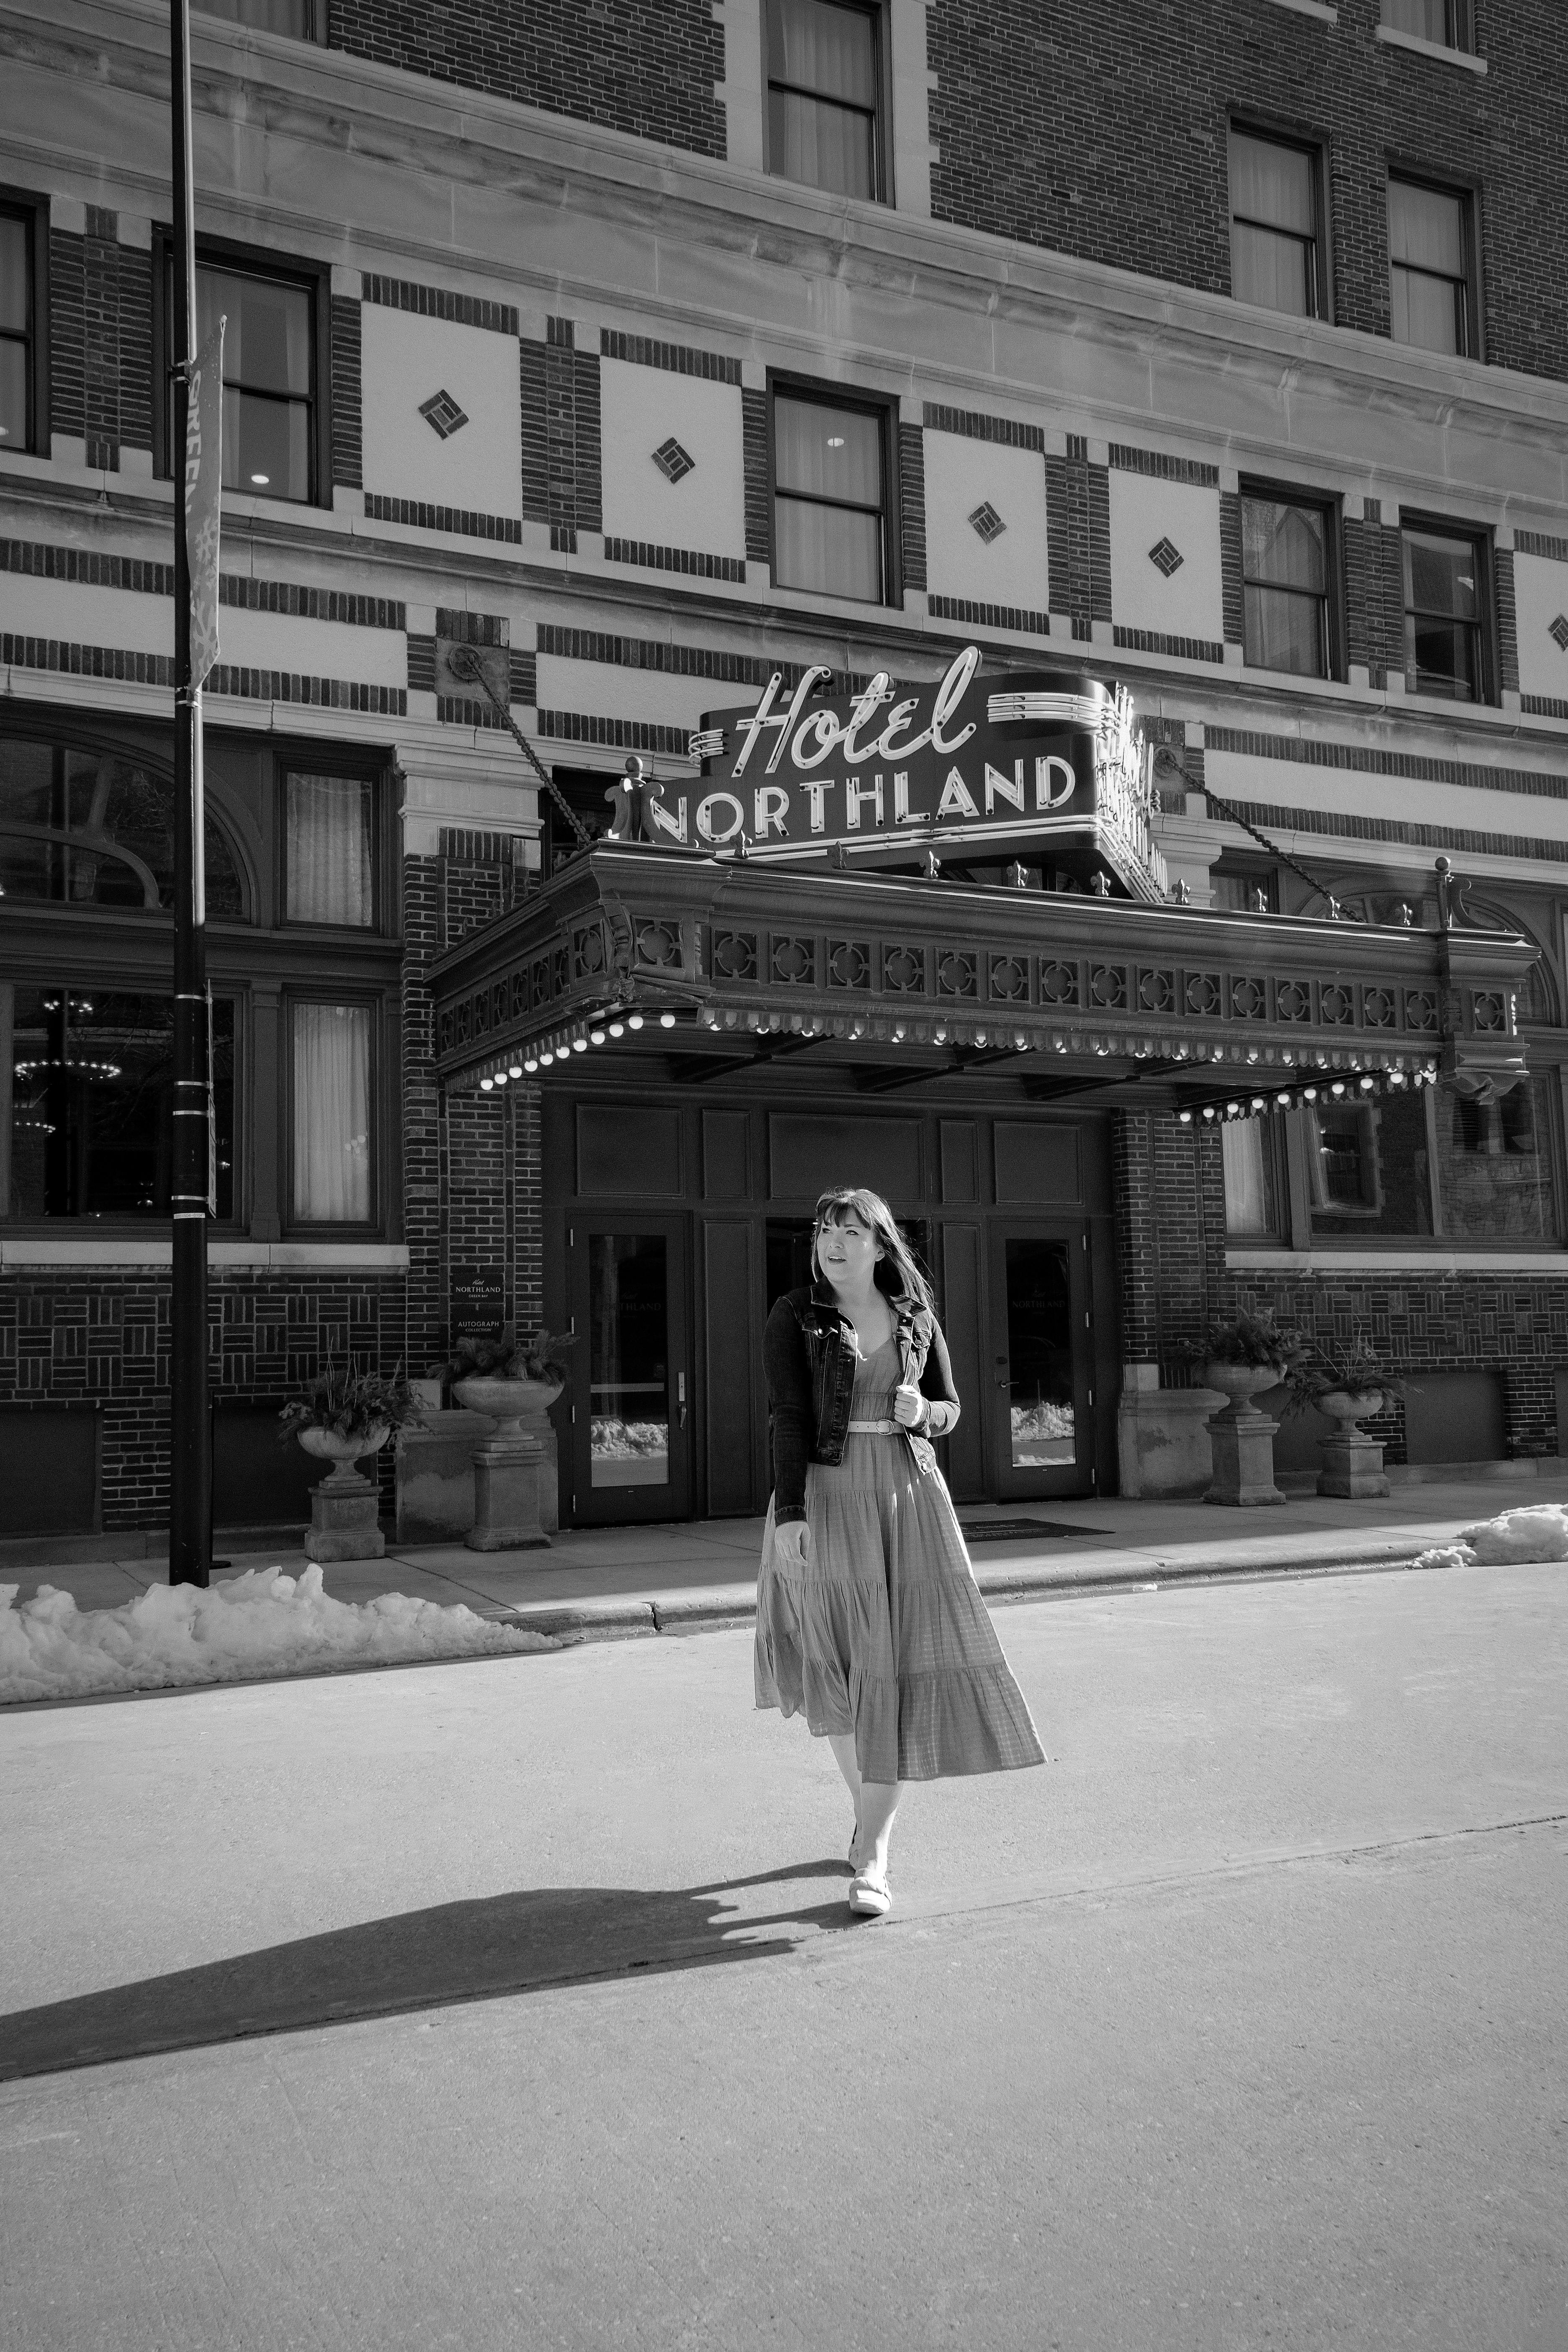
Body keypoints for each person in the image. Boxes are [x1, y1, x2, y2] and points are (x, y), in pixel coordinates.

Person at [755, 1185, 1045, 1918]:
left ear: (881, 1246)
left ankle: (873, 1854)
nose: (835, 1242)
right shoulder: (795, 1316)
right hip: (823, 1497)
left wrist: (928, 1413)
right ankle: (870, 1824)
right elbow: (788, 1417)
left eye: (852, 1232)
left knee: (897, 1671)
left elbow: (949, 1407)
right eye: (826, 1229)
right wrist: (790, 1513)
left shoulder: (915, 1317)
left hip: (907, 1500)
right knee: (844, 1671)